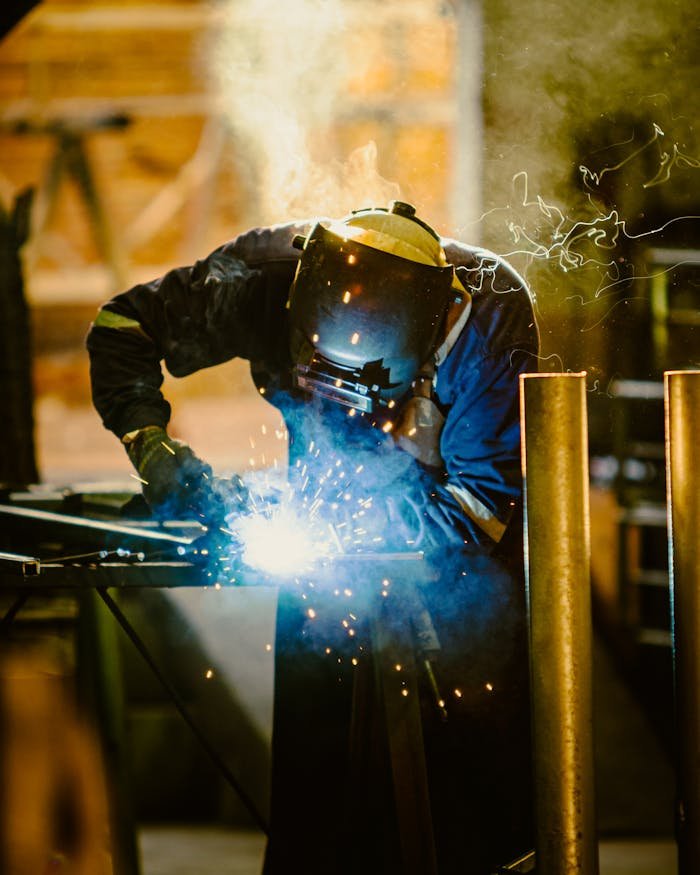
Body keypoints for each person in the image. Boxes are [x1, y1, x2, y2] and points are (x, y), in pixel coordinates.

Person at [86, 200, 540, 874]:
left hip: (457, 586)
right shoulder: (265, 277)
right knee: (318, 803)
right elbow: (123, 325)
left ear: (430, 327)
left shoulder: (488, 314)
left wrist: (339, 529)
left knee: (461, 815)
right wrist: (149, 443)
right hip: (317, 565)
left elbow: (477, 511)